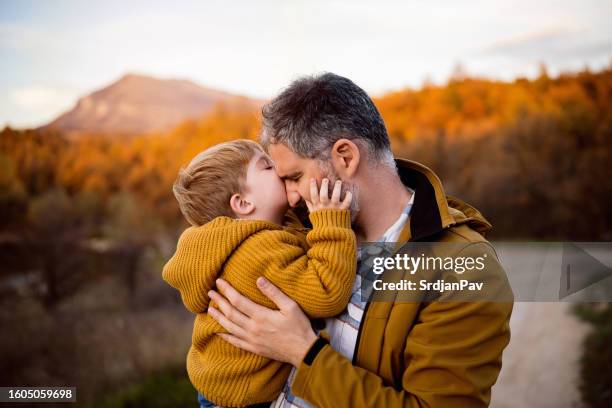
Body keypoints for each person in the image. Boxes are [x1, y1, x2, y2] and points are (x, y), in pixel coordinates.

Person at [207, 73, 514, 407]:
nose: (290, 197)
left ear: (345, 157)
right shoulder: (299, 229)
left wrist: (303, 352)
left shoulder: (464, 270)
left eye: (295, 177)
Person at [162, 139, 357, 407]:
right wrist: (331, 222)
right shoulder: (259, 250)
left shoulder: (251, 236)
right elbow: (326, 294)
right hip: (243, 397)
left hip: (219, 387)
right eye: (266, 166)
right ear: (242, 203)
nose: (278, 168)